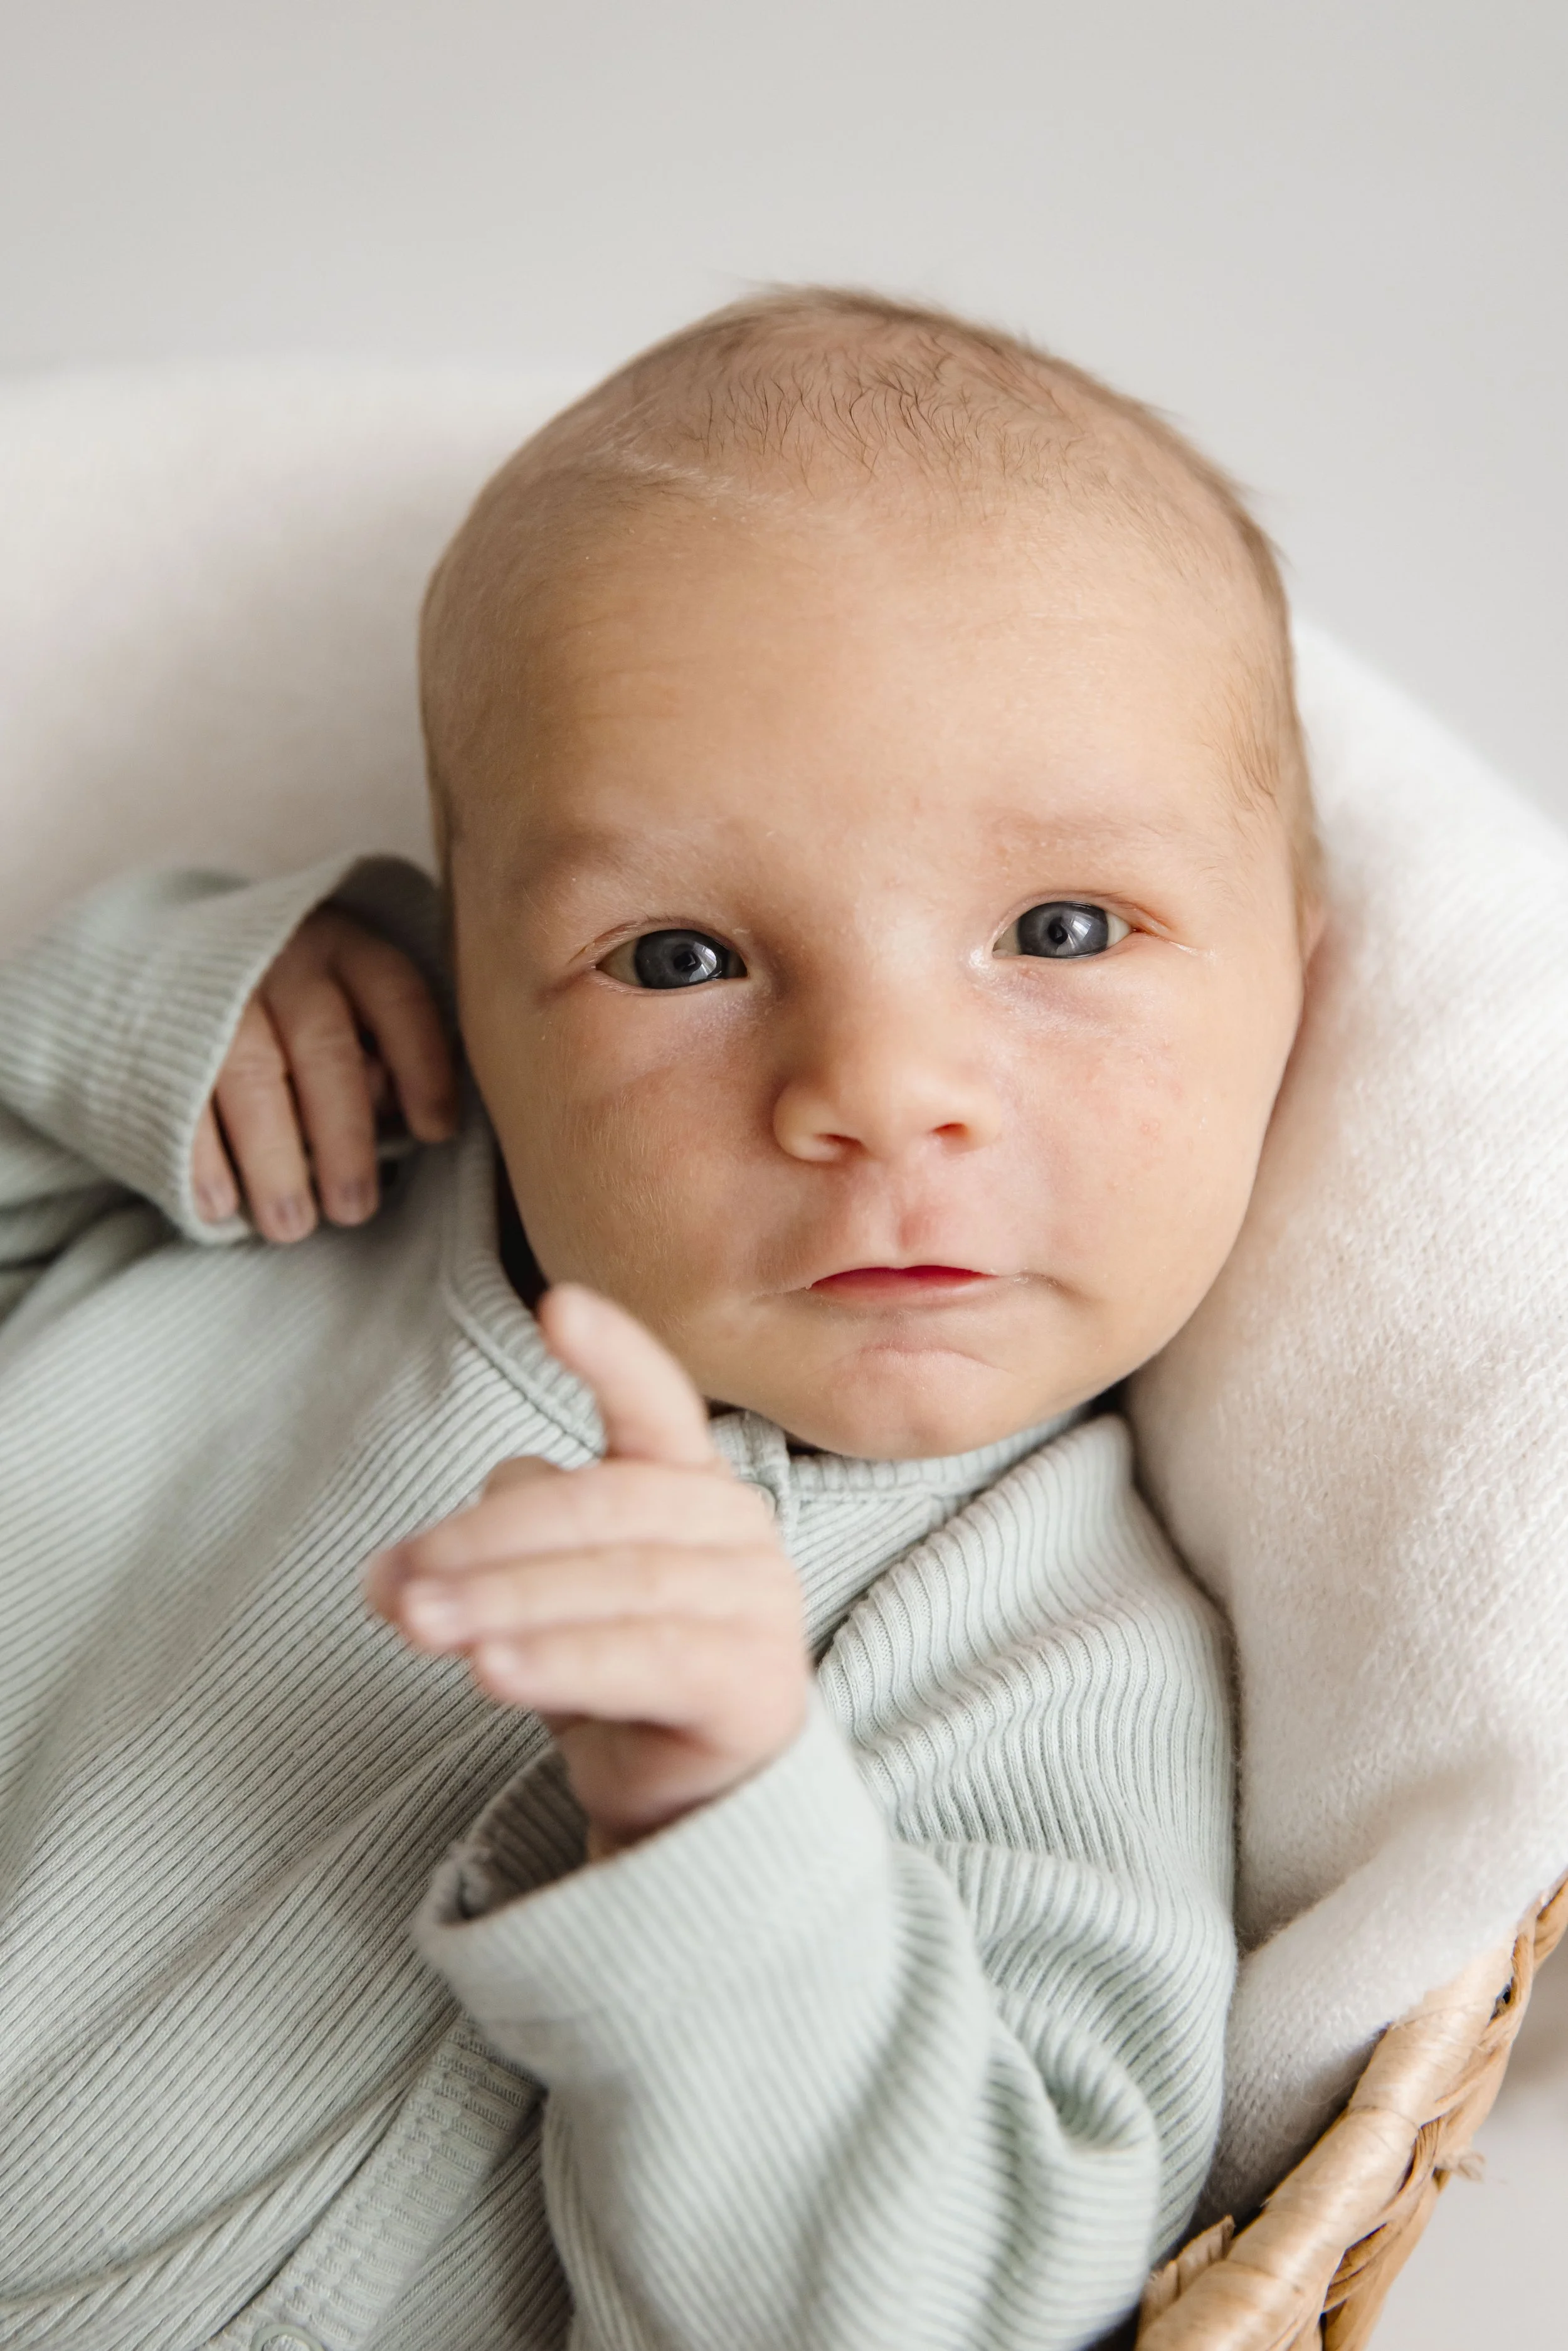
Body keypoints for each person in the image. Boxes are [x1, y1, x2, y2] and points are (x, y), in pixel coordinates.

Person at [0, 289, 1318, 2350]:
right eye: (678, 952)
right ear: (473, 976)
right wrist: (133, 1025)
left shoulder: (1052, 1644)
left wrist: (726, 1824)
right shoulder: (256, 1207)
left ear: (1297, 979)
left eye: (1060, 927)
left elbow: (952, 2307)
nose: (878, 1084)